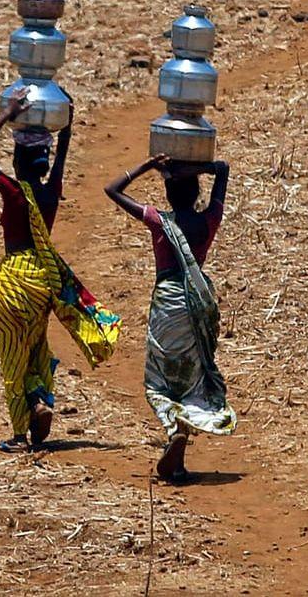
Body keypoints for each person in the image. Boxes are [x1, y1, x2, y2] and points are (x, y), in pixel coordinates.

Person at [0, 91, 121, 453]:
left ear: (18, 163)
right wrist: (66, 123)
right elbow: (63, 158)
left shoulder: (14, 193)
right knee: (37, 344)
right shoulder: (51, 194)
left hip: (14, 278)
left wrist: (7, 113)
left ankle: (20, 433)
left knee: (13, 353)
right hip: (42, 280)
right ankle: (39, 398)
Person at [104, 154, 237, 483]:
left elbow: (112, 189)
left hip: (167, 304)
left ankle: (172, 428)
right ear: (196, 195)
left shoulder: (159, 221)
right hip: (197, 303)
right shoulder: (209, 221)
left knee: (158, 382)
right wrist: (198, 167)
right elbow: (223, 169)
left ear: (168, 195)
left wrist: (147, 165)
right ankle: (179, 448)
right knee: (190, 377)